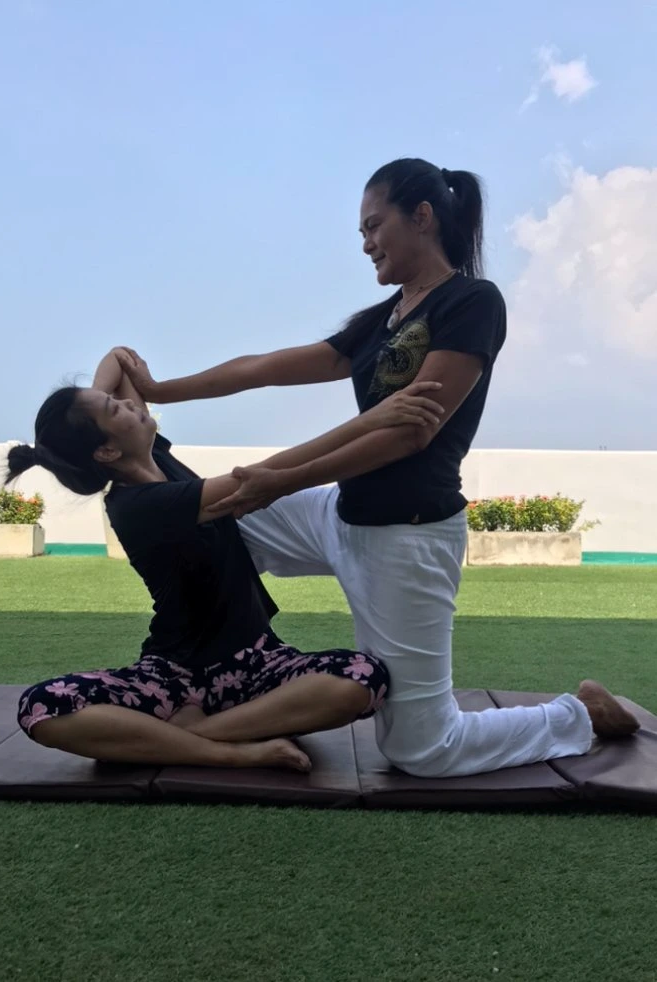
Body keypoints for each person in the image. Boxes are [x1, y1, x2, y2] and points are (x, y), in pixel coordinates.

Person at [113, 156, 639, 779]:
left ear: (422, 217)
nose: (365, 244)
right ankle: (211, 672)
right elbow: (265, 367)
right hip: (339, 513)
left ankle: (578, 715)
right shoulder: (381, 320)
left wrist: (281, 480)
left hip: (407, 536)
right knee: (211, 514)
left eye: (373, 226)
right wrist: (162, 390)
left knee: (423, 750)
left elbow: (410, 434)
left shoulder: (471, 302)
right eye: (361, 232)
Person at [5, 346, 444, 771]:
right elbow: (268, 473)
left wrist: (92, 408)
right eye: (114, 408)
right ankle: (229, 753)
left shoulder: (154, 459)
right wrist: (370, 422)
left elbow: (119, 357)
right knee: (42, 708)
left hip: (259, 662)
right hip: (173, 675)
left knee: (363, 679)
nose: (129, 404)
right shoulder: (138, 505)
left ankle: (193, 733)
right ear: (106, 452)